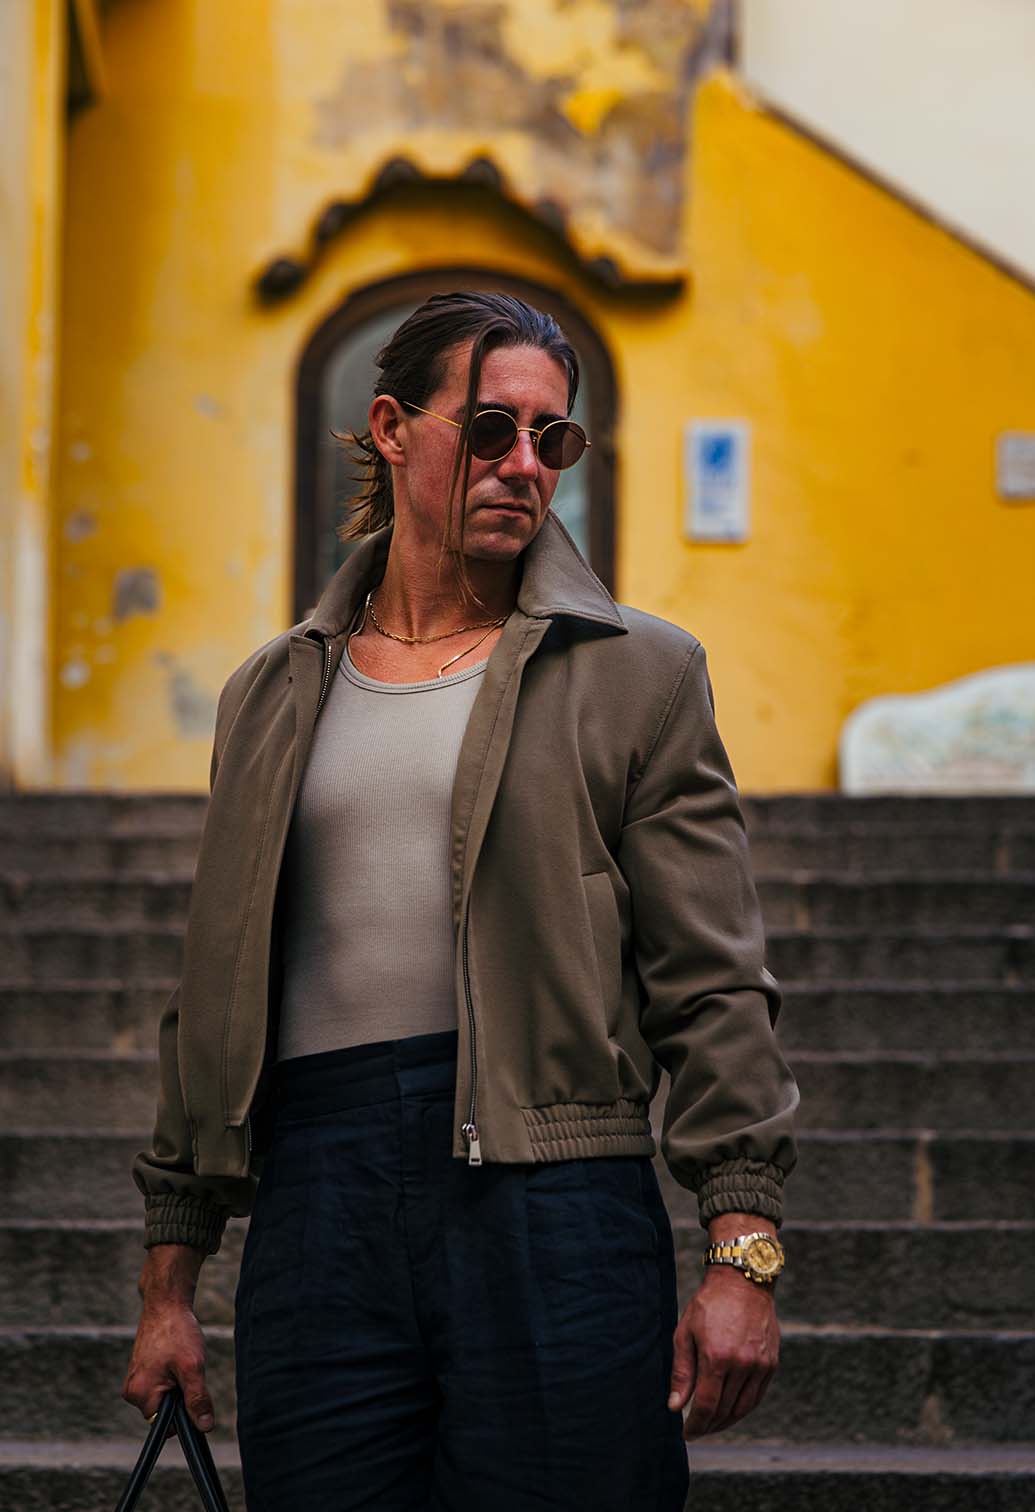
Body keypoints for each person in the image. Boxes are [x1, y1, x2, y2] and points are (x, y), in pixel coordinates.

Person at [121, 290, 799, 1511]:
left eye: (555, 439)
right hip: (319, 1193)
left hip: (554, 1191)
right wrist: (170, 1289)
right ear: (391, 427)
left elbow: (710, 979)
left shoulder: (638, 675)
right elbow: (211, 993)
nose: (526, 465)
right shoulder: (271, 692)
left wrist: (741, 1246)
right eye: (491, 430)